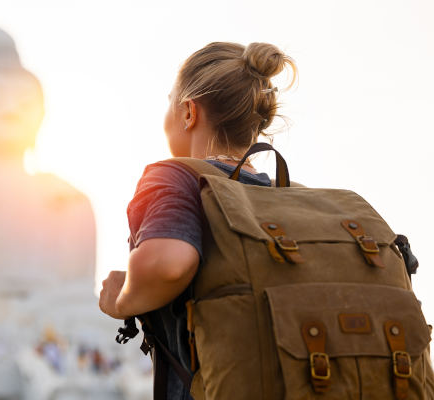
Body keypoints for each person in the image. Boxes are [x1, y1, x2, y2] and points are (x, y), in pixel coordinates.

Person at [99, 41, 297, 399]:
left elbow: (168, 264)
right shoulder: (286, 196)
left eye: (169, 101)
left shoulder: (176, 177)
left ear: (189, 112)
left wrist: (121, 300)